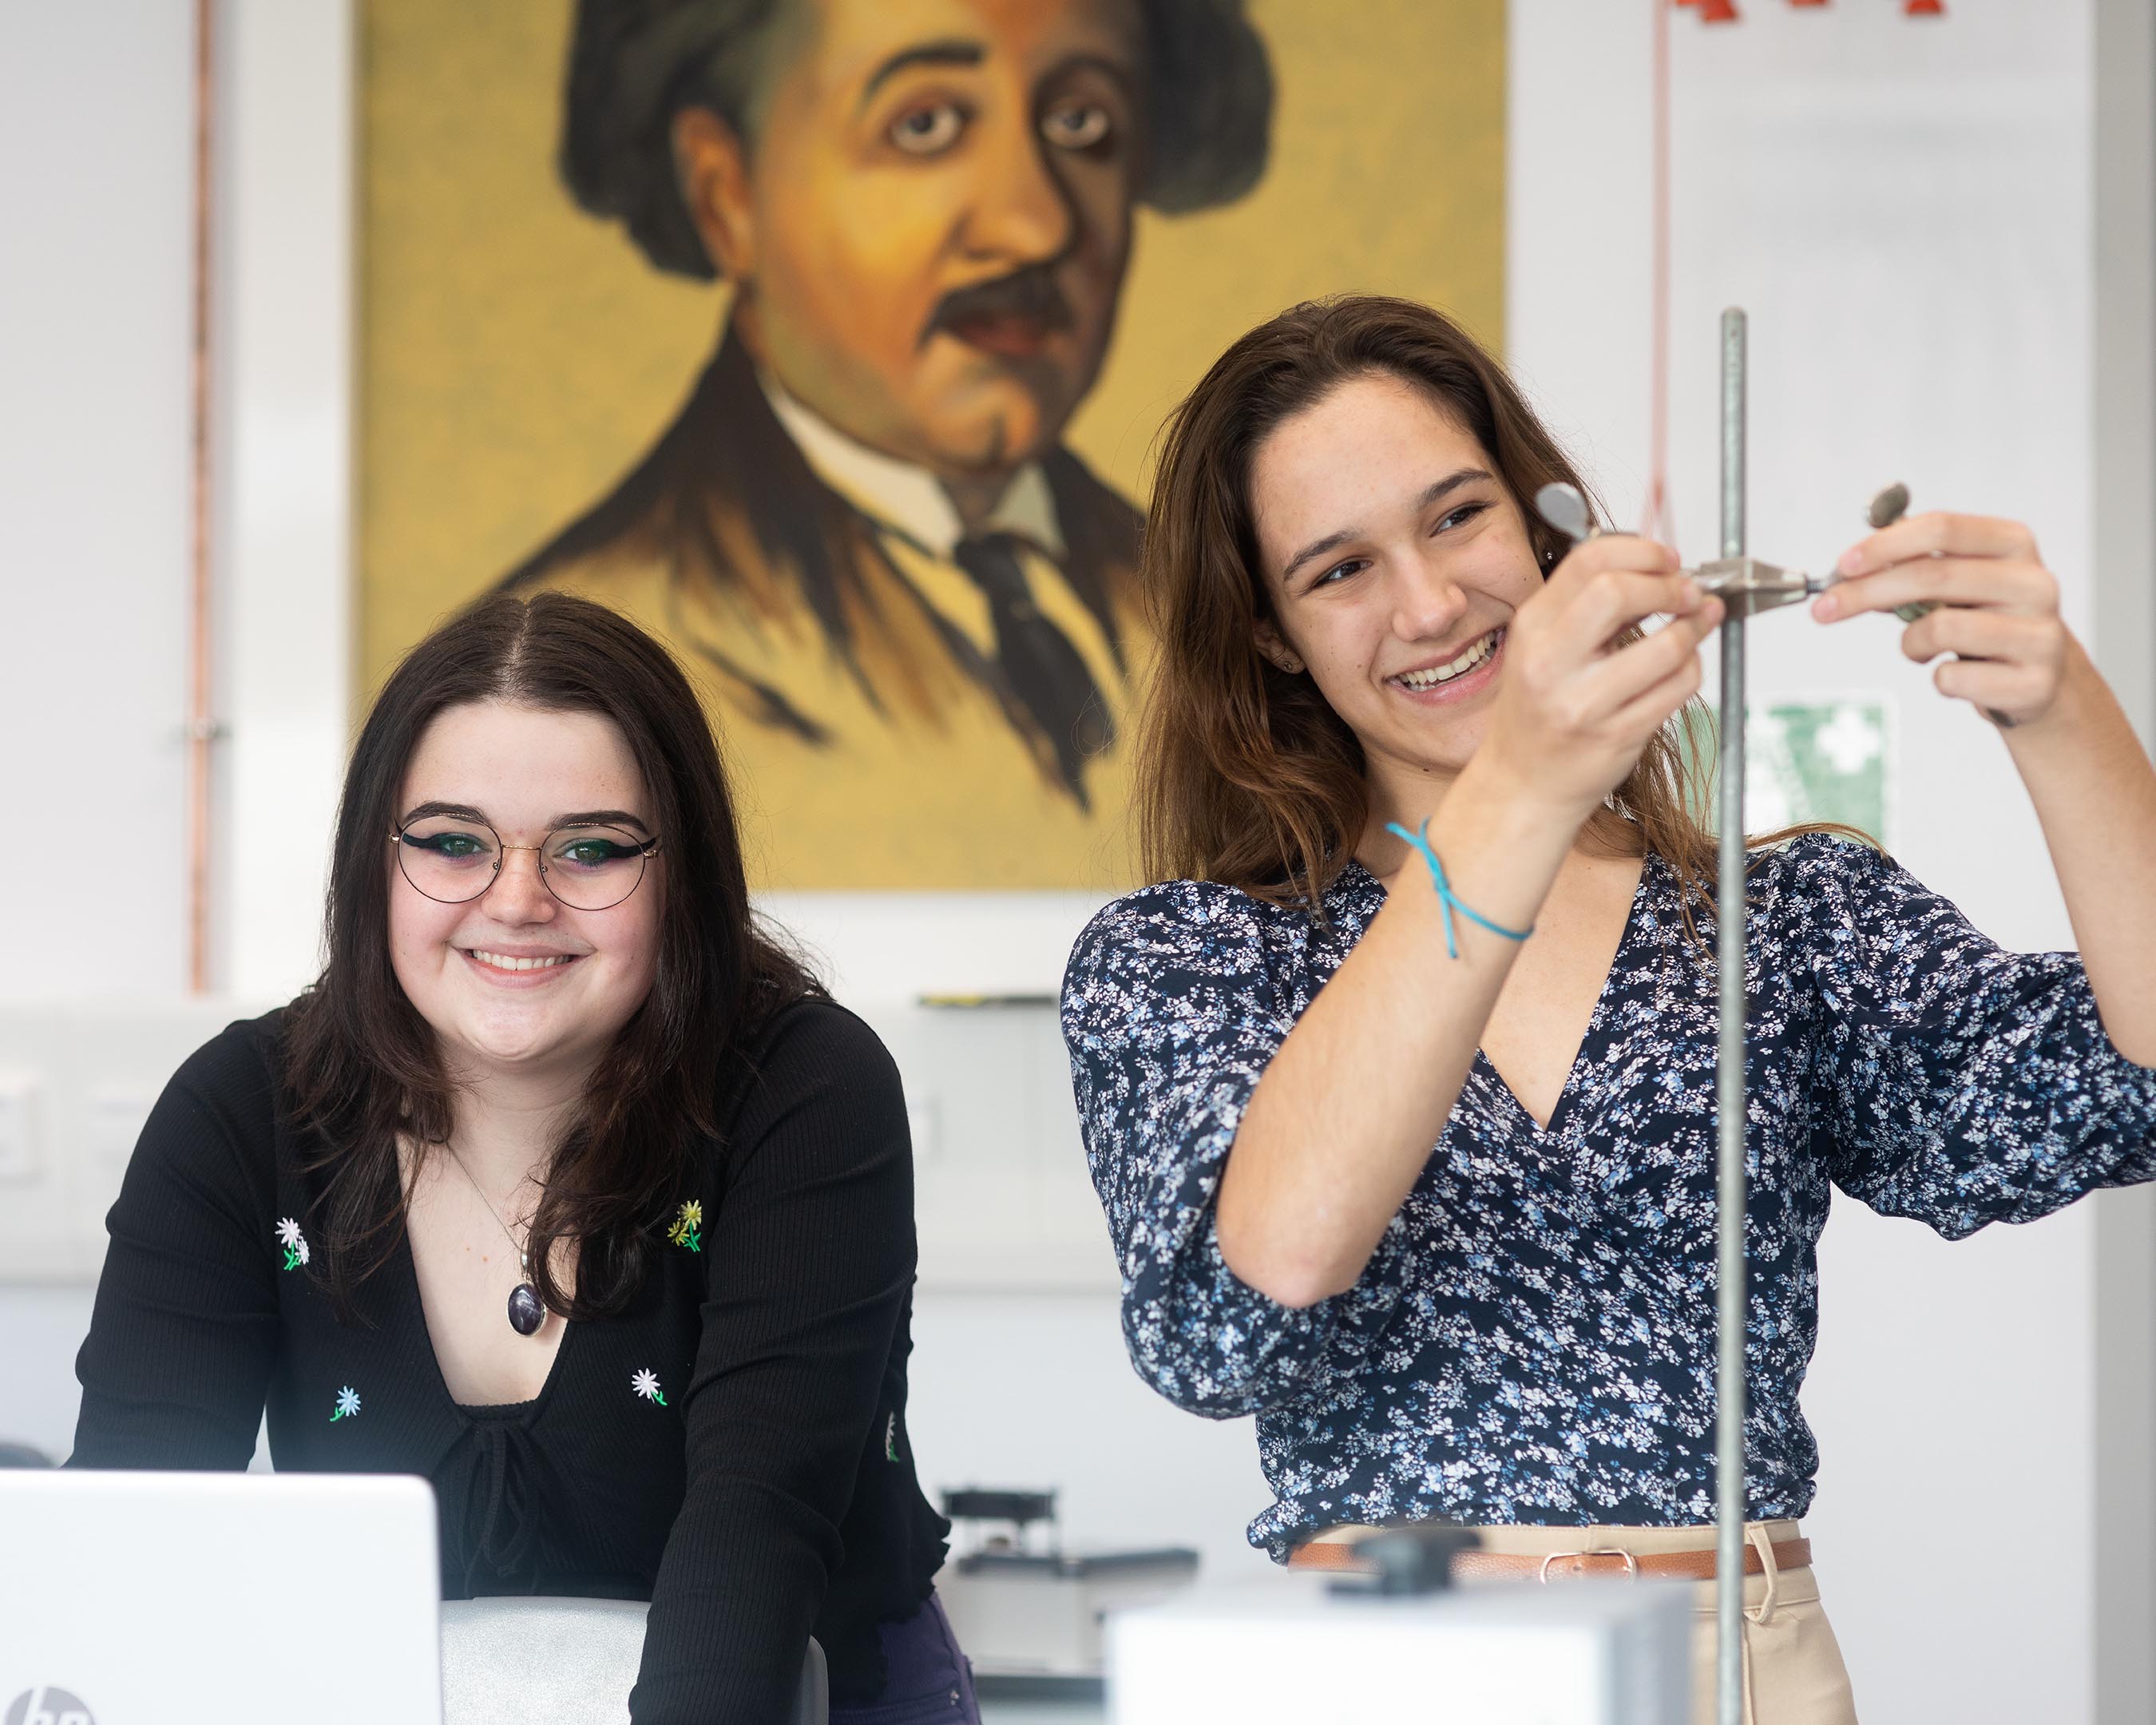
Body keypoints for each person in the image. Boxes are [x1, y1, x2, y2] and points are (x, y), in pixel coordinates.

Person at [1058, 295, 2156, 1723]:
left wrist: (2062, 707)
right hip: (1380, 1675)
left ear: (1542, 526)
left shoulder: (1782, 926)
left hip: (1734, 1661)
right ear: (1269, 637)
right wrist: (1522, 782)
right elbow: (1253, 1287)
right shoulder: (1190, 960)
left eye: (1458, 518)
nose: (1433, 604)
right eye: (1340, 570)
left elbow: (2133, 1083)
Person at [70, 594, 971, 1723]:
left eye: (591, 849)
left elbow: (758, 1521)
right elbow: (132, 1545)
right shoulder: (241, 1113)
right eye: (452, 842)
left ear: (681, 871)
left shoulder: (804, 1088)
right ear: (373, 863)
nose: (517, 902)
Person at [499, 0, 1272, 874]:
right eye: (925, 125)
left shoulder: (1193, 607)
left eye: (1081, 123)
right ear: (727, 194)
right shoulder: (612, 635)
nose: (1036, 226)